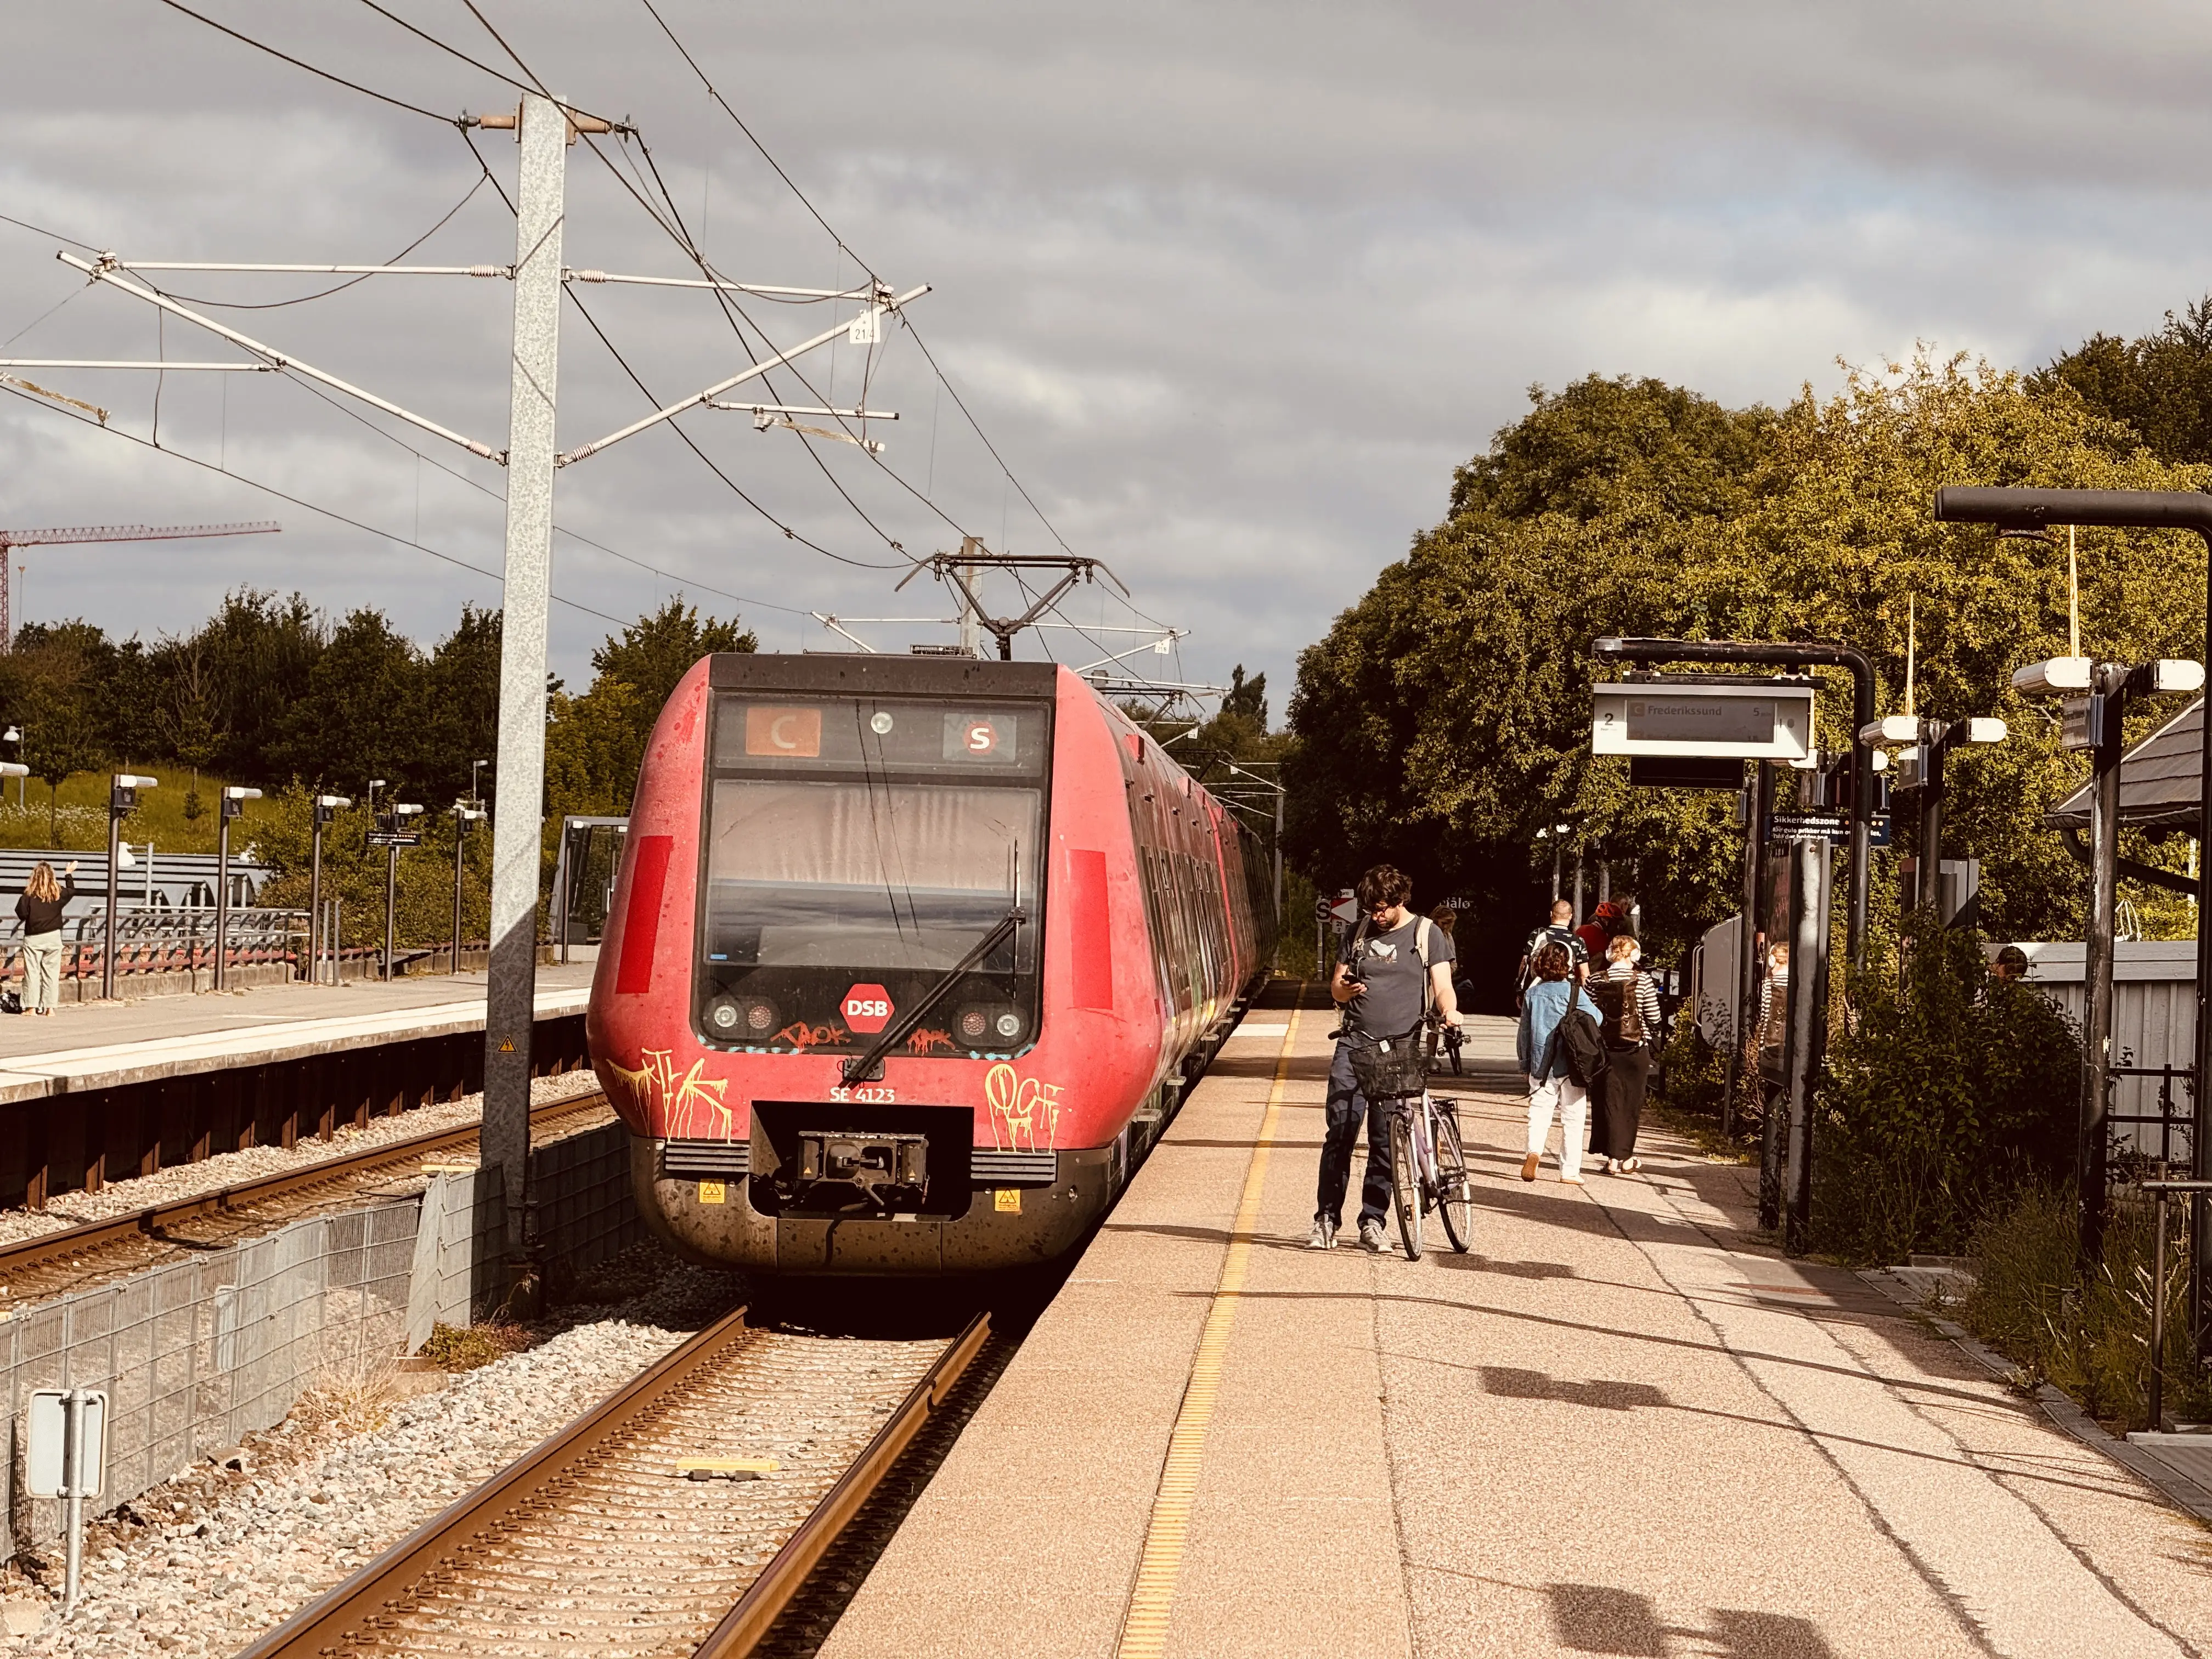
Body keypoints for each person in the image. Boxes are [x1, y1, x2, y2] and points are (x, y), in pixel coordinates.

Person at [1314, 864, 1463, 1251]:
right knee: (1341, 1132)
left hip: (1399, 1047)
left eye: (1382, 909)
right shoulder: (1358, 932)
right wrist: (1346, 990)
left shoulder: (1427, 934)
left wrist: (1450, 1013)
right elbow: (1336, 988)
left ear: (1401, 901)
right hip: (1354, 1044)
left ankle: (1373, 1221)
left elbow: (1442, 986)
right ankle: (1326, 1218)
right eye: (1371, 910)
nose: (1376, 917)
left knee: (1385, 1137)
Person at [1587, 933, 1663, 1174]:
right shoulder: (1643, 981)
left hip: (1605, 1051)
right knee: (1631, 1104)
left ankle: (1611, 1159)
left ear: (1610, 955)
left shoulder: (1594, 981)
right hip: (1635, 1050)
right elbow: (1654, 1017)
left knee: (1608, 1102)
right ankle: (1626, 1158)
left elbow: (1589, 1017)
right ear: (1634, 955)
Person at [1516, 941, 1589, 1184]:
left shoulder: (1533, 994)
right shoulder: (1575, 992)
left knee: (1539, 1111)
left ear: (1540, 964)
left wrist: (1525, 1063)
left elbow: (1524, 1032)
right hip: (1572, 1063)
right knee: (1573, 1116)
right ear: (1567, 965)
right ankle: (1569, 1171)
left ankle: (1534, 1152)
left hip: (1541, 1063)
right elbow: (1596, 1019)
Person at [16, 860, 77, 1017]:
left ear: (34, 877)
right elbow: (71, 890)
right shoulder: (58, 894)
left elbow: (21, 914)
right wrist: (69, 874)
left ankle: (32, 1008)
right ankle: (50, 1008)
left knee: (32, 973)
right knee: (51, 973)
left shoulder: (28, 895)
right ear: (52, 877)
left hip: (34, 937)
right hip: (54, 937)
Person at [1516, 899, 1587, 1004]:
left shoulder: (1537, 934)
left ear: (1551, 914)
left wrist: (1520, 991)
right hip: (1567, 994)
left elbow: (1524, 963)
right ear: (1570, 916)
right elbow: (1584, 975)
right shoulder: (1578, 941)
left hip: (1536, 990)